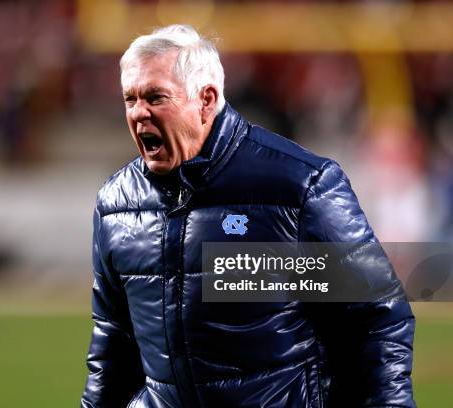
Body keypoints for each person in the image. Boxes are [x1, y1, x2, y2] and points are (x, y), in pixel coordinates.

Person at [81, 25, 415, 408]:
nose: (139, 112)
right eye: (130, 99)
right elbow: (112, 341)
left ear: (206, 100)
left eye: (155, 97)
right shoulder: (116, 202)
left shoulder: (298, 186)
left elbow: (377, 321)